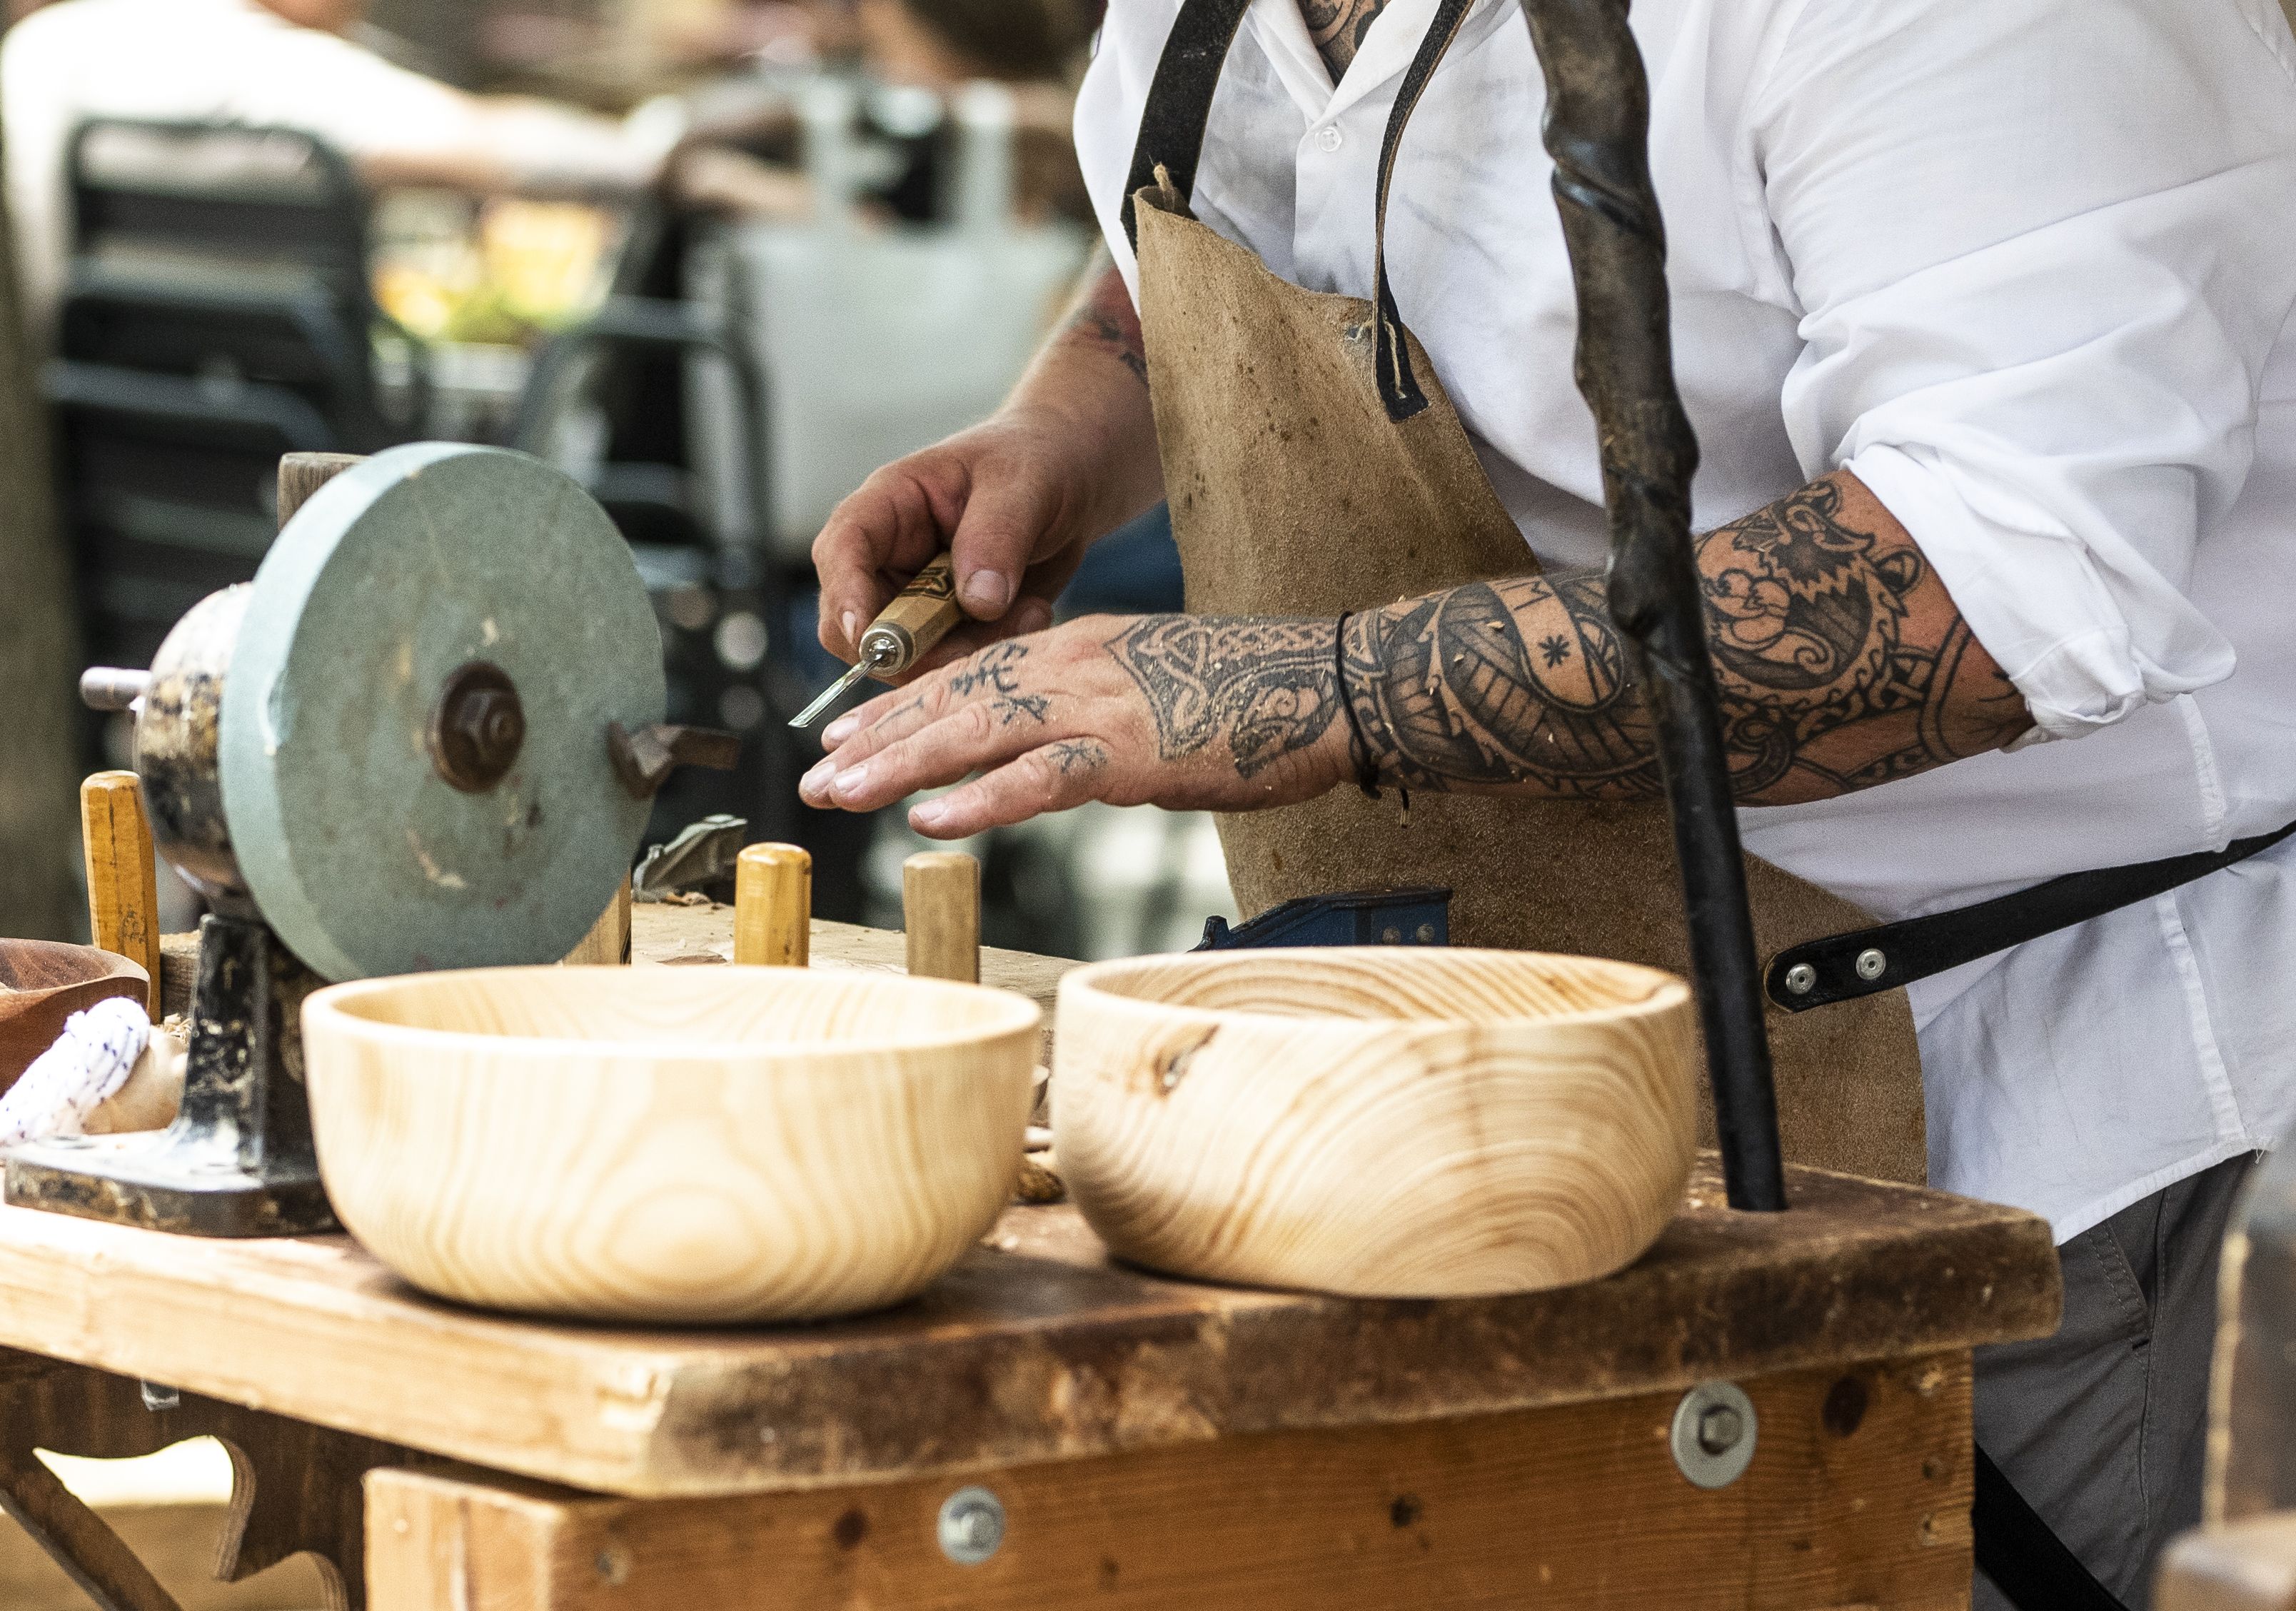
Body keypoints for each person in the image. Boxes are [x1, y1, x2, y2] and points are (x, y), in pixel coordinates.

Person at [800, 0, 2296, 1605]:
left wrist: (1308, 695)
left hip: (2012, 1151)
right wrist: (1066, 428)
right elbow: (1231, 214)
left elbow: (1994, 591)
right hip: (1497, 1133)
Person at [1, 0, 686, 340]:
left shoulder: (44, 44)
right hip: (270, 447)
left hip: (111, 453)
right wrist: (672, 161)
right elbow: (499, 147)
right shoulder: (270, 66)